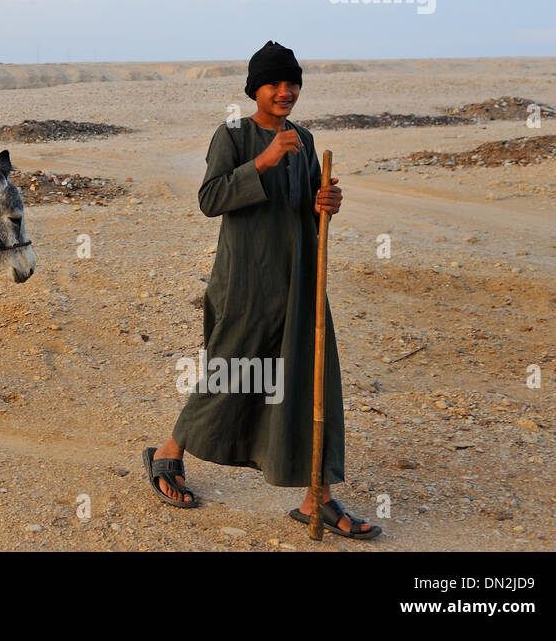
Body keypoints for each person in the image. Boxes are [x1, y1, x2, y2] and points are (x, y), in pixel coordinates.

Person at [143, 40, 381, 539]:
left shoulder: (305, 139)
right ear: (256, 89)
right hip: (247, 282)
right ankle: (168, 452)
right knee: (232, 372)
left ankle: (317, 495)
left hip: (300, 282)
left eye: (292, 83)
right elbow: (210, 198)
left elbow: (308, 210)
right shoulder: (233, 135)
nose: (285, 91)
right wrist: (264, 162)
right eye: (275, 83)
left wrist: (327, 202)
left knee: (310, 379)